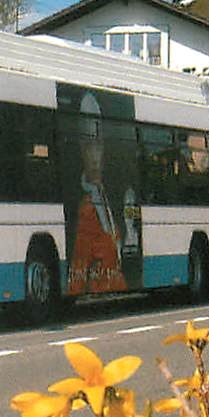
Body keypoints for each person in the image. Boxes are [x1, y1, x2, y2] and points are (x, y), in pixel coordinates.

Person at [67, 93, 128, 295]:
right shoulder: (79, 206)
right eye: (87, 145)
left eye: (97, 144)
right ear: (79, 149)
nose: (94, 155)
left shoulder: (115, 194)